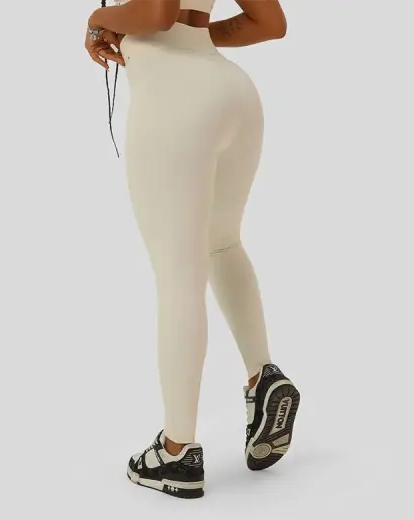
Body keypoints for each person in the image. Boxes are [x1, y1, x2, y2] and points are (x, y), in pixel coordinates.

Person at [85, 0, 300, 499]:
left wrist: (98, 21)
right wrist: (193, 36)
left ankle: (176, 452)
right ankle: (262, 378)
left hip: (177, 98)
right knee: (222, 244)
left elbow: (158, 11)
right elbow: (269, 23)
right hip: (231, 90)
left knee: (178, 277)